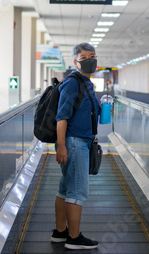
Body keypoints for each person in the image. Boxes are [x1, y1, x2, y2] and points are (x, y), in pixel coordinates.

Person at [51, 43, 100, 250]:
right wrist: (61, 146)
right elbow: (62, 117)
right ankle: (74, 237)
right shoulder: (73, 82)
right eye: (84, 56)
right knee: (78, 191)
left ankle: (60, 232)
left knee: (66, 188)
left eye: (93, 55)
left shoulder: (87, 83)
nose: (90, 59)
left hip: (80, 141)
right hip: (73, 142)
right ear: (75, 62)